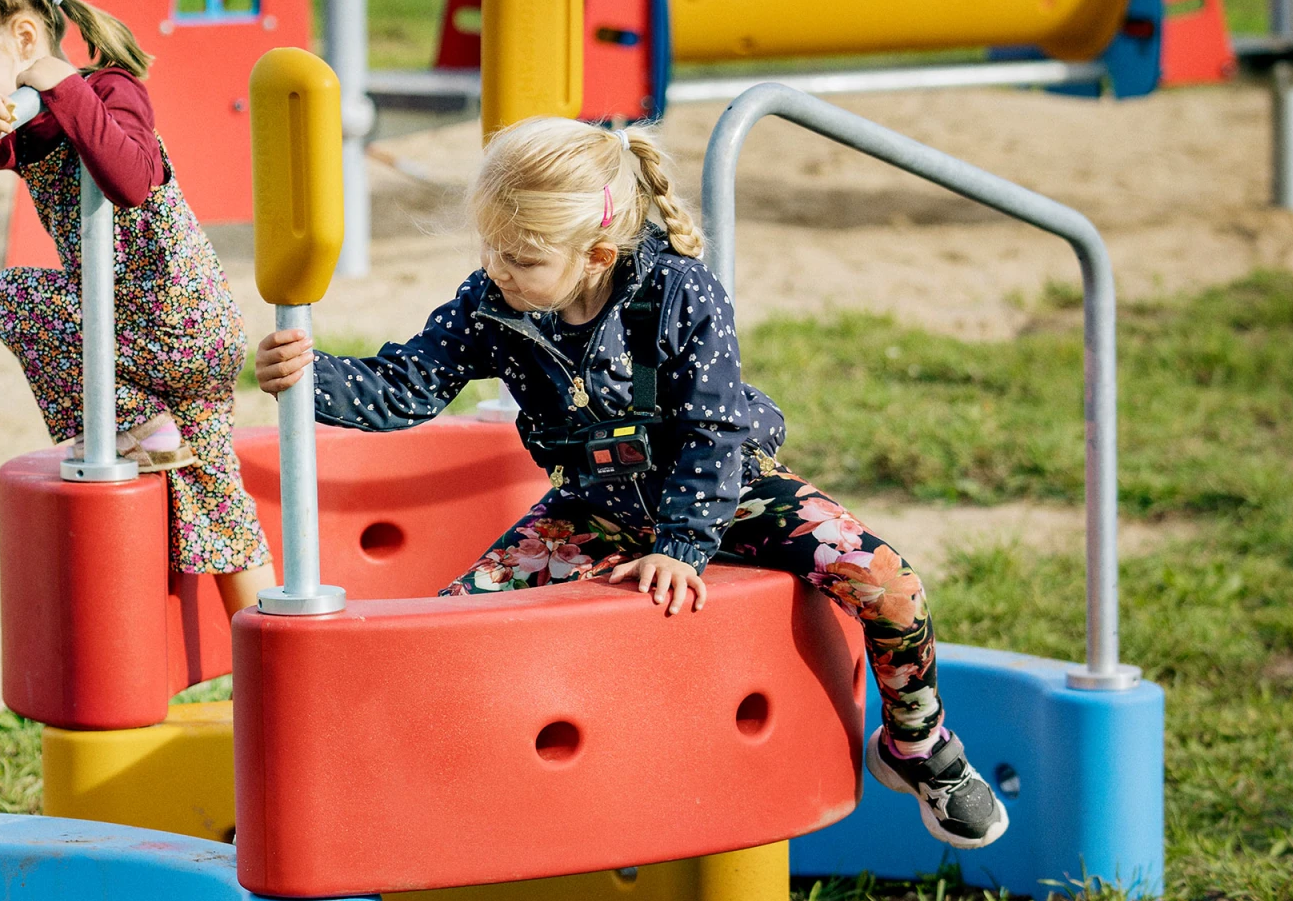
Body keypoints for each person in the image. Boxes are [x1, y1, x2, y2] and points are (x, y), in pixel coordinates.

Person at [253, 116, 1008, 849]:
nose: (496, 267)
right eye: (491, 247)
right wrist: (314, 377)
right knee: (456, 627)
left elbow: (713, 432)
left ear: (597, 253)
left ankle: (918, 747)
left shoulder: (681, 295)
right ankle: (432, 795)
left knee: (888, 583)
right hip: (594, 508)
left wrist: (684, 544)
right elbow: (408, 384)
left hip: (729, 494)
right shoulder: (494, 304)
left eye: (519, 255)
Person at [0, 0, 273, 614]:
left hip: (173, 326)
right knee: (219, 499)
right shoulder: (30, 125)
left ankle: (133, 422)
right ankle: (271, 642)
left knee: (15, 296)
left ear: (23, 38)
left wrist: (58, 81)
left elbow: (130, 177)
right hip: (144, 337)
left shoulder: (108, 89)